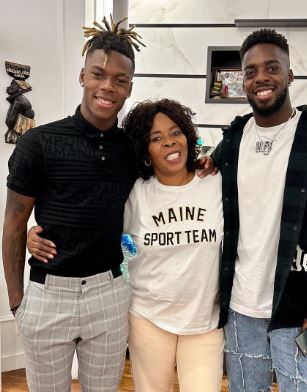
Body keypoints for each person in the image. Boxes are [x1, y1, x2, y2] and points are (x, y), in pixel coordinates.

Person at [28, 98, 225, 392]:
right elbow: (94, 224)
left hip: (204, 322)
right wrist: (38, 233)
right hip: (148, 318)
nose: (169, 143)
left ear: (187, 134)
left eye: (175, 133)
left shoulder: (214, 181)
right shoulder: (135, 191)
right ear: (145, 150)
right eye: (156, 138)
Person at [211, 29, 307, 391]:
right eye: (250, 71)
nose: (261, 77)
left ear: (290, 75)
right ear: (243, 81)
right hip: (240, 310)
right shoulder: (232, 141)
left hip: (299, 307)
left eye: (271, 67)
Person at [2, 16, 143, 392]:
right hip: (49, 294)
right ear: (83, 76)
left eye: (120, 80)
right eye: (98, 74)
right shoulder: (40, 143)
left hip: (109, 294)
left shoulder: (132, 149)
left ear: (129, 88)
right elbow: (15, 224)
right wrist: (18, 302)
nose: (107, 86)